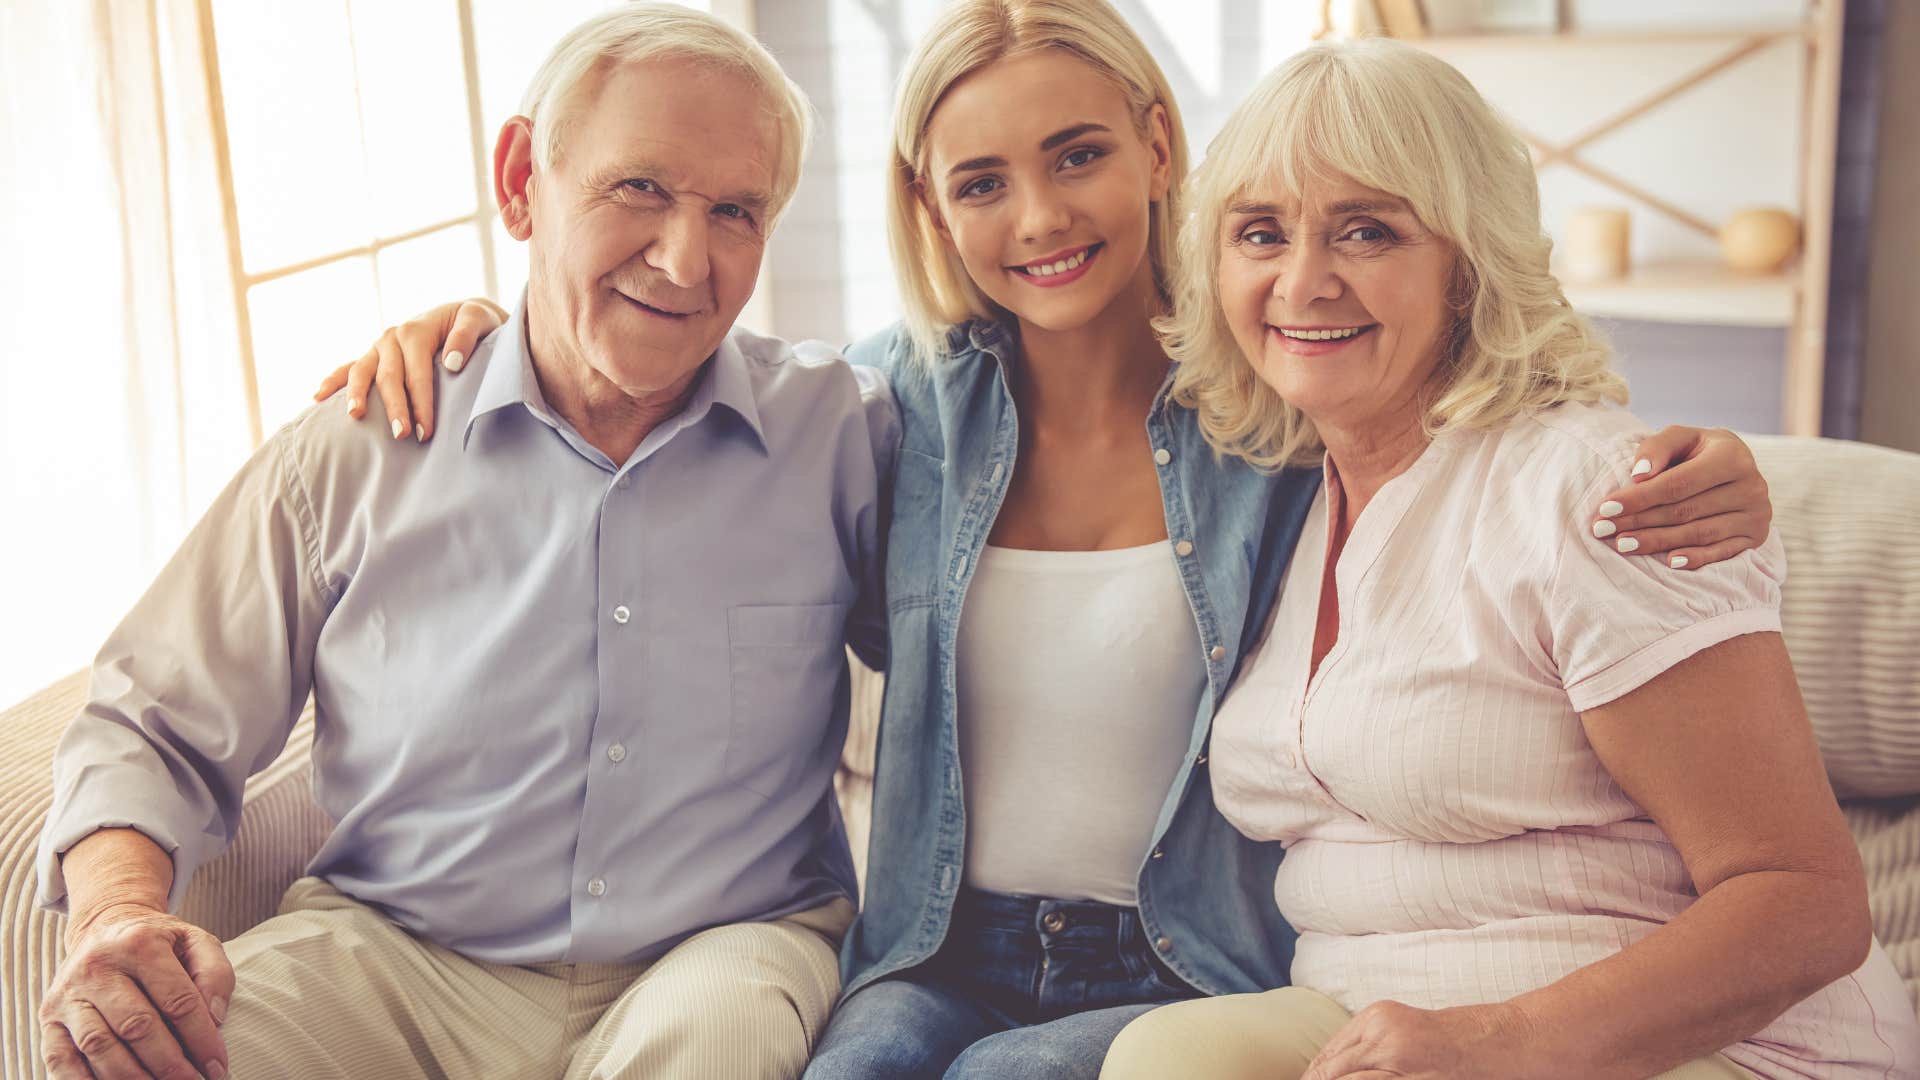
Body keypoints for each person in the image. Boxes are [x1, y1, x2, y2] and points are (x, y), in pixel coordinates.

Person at [318, 3, 1777, 1076]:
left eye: (1077, 155)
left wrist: (1726, 469)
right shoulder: (884, 408)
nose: (1038, 217)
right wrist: (473, 331)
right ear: (931, 211)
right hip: (938, 947)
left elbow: (1477, 415)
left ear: (1157, 144)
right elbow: (649, 380)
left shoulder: (1270, 394)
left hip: (1190, 957)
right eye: (979, 183)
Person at [33, 7, 897, 1080]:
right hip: (391, 956)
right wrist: (113, 916)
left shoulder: (842, 433)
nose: (685, 259)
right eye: (641, 188)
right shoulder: (363, 445)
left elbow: (982, 638)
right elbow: (148, 718)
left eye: (735, 210)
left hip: (720, 952)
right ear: (523, 176)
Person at [1097, 38, 1919, 1080]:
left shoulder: (1597, 499)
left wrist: (1497, 1042)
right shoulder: (1276, 498)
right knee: (1161, 1061)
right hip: (1372, 1019)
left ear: (1466, 265)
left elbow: (1806, 906)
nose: (1304, 280)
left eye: (1367, 230)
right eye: (1261, 233)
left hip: (1710, 1044)